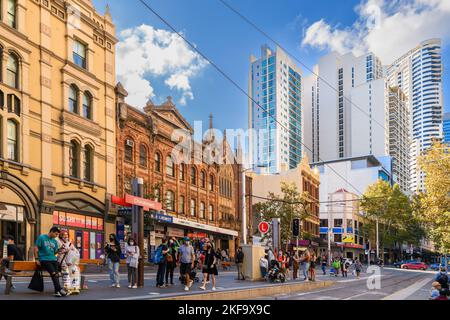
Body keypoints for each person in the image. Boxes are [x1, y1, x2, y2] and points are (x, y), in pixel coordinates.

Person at [34, 227, 68, 297]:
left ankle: (57, 291)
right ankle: (59, 289)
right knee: (54, 273)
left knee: (56, 275)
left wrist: (60, 249)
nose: (56, 236)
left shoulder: (54, 241)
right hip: (44, 259)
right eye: (56, 234)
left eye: (57, 234)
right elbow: (36, 248)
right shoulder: (42, 237)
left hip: (53, 259)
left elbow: (55, 252)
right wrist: (37, 259)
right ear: (52, 231)